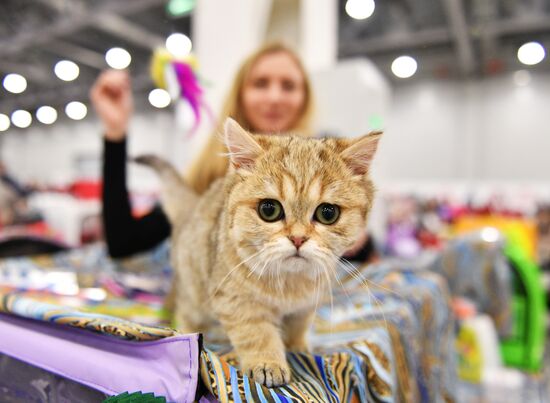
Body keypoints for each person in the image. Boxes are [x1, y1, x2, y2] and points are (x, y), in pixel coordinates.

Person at [91, 43, 374, 261]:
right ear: (240, 94)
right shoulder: (210, 175)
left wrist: (350, 236)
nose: (274, 97)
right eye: (260, 83)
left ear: (304, 98)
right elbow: (124, 243)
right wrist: (115, 133)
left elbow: (364, 247)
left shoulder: (329, 163)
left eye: (288, 85)